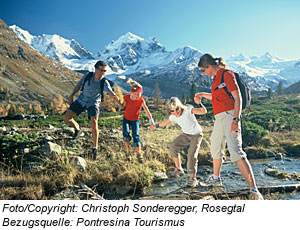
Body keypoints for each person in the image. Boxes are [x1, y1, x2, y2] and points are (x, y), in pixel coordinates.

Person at [195, 53, 263, 199]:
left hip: (230, 115)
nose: (203, 73)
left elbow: (237, 97)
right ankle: (216, 178)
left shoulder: (227, 74)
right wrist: (202, 94)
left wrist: (236, 119)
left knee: (236, 151)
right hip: (219, 117)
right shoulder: (215, 80)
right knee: (215, 146)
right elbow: (217, 96)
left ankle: (254, 189)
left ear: (210, 66)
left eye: (203, 70)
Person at [64, 60, 120, 160]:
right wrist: (71, 95)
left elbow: (110, 92)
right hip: (82, 100)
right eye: (101, 70)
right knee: (67, 117)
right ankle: (77, 129)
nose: (103, 73)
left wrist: (115, 97)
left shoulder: (104, 81)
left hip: (93, 103)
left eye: (105, 71)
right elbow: (78, 86)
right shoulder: (87, 76)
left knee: (94, 122)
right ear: (95, 69)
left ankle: (95, 148)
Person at [150, 97, 207, 187]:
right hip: (186, 135)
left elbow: (203, 111)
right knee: (173, 145)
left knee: (191, 154)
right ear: (170, 111)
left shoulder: (188, 110)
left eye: (177, 109)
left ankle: (193, 178)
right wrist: (156, 125)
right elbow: (165, 122)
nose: (176, 112)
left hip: (196, 135)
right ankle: (179, 168)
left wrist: (199, 103)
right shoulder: (172, 116)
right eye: (172, 111)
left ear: (180, 106)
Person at [120, 79, 154, 163]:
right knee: (126, 134)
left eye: (138, 94)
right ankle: (128, 153)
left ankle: (139, 154)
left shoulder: (141, 100)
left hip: (135, 120)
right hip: (126, 119)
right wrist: (119, 105)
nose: (136, 95)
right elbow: (123, 106)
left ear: (141, 93)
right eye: (135, 94)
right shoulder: (127, 97)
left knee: (136, 135)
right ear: (131, 92)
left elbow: (146, 110)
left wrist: (151, 120)